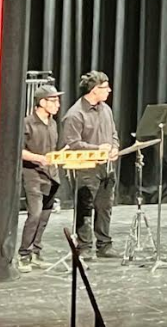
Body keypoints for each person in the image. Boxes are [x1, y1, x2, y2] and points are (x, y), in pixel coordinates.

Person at [61, 71, 120, 259]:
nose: (109, 90)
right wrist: (98, 149)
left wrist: (115, 147)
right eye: (105, 87)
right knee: (85, 207)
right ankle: (84, 246)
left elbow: (113, 133)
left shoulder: (106, 109)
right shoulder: (75, 114)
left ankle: (104, 244)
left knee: (105, 207)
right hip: (86, 168)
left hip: (106, 167)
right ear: (94, 90)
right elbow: (73, 143)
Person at [18, 84, 64, 272]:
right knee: (35, 214)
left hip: (51, 175)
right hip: (33, 174)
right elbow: (19, 151)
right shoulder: (27, 123)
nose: (58, 104)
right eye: (54, 101)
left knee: (44, 215)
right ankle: (24, 255)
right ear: (42, 102)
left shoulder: (53, 123)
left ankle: (36, 251)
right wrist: (39, 158)